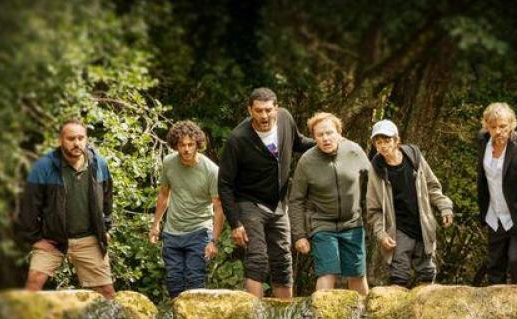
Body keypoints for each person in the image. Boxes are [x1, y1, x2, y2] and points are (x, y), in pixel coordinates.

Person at [218, 87, 314, 299]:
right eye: (259, 111)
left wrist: (326, 143)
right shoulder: (238, 139)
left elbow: (299, 142)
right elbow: (224, 184)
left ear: (276, 109)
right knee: (258, 257)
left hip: (279, 202)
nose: (264, 116)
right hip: (249, 202)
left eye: (268, 110)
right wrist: (234, 223)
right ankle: (255, 318)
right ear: (250, 110)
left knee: (283, 259)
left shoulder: (286, 120)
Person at [17, 118, 116, 297]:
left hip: (88, 239)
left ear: (86, 139)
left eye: (81, 138)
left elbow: (108, 199)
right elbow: (28, 206)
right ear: (60, 140)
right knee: (33, 283)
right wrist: (35, 238)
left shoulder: (99, 164)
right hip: (53, 240)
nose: (76, 143)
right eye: (71, 139)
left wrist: (106, 227)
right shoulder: (44, 167)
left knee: (106, 292)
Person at [288, 112, 373, 295]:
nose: (326, 138)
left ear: (339, 133)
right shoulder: (307, 161)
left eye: (329, 133)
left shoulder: (354, 151)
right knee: (327, 273)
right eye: (320, 135)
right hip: (322, 224)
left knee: (357, 275)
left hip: (352, 223)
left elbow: (376, 182)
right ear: (314, 137)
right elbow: (296, 200)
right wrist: (299, 235)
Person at [365, 119, 454, 288]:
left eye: (387, 141)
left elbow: (432, 187)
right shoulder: (376, 169)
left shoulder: (414, 158)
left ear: (396, 141)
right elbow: (373, 209)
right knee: (398, 275)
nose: (383, 146)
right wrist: (381, 234)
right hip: (397, 229)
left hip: (422, 224)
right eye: (379, 142)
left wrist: (445, 207)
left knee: (427, 273)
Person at [150, 120, 223, 298]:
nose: (187, 149)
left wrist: (213, 240)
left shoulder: (211, 171)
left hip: (199, 231)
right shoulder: (169, 162)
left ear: (198, 144)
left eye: (191, 144)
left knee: (195, 282)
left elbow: (219, 208)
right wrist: (156, 224)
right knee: (174, 282)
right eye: (182, 145)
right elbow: (164, 195)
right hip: (172, 231)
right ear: (176, 145)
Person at [476, 102, 517, 285]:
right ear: (486, 126)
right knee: (494, 264)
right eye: (493, 127)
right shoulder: (482, 141)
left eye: (503, 126)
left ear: (512, 124)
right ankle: (495, 310)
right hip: (494, 215)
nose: (498, 131)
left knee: (515, 261)